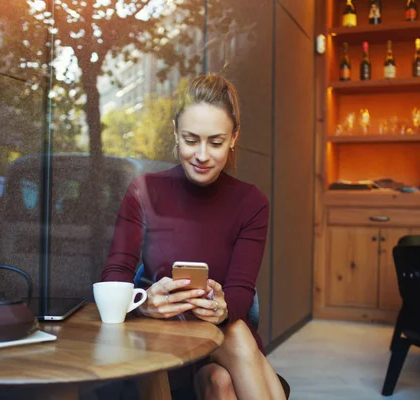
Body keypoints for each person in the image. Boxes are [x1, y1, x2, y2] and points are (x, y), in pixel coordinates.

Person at [100, 73, 286, 400]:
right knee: (220, 380)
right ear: (175, 132)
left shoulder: (252, 203)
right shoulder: (143, 192)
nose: (202, 155)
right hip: (159, 336)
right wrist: (144, 304)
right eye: (190, 139)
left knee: (224, 368)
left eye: (215, 142)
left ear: (233, 138)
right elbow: (115, 274)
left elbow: (242, 291)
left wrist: (223, 308)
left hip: (220, 338)